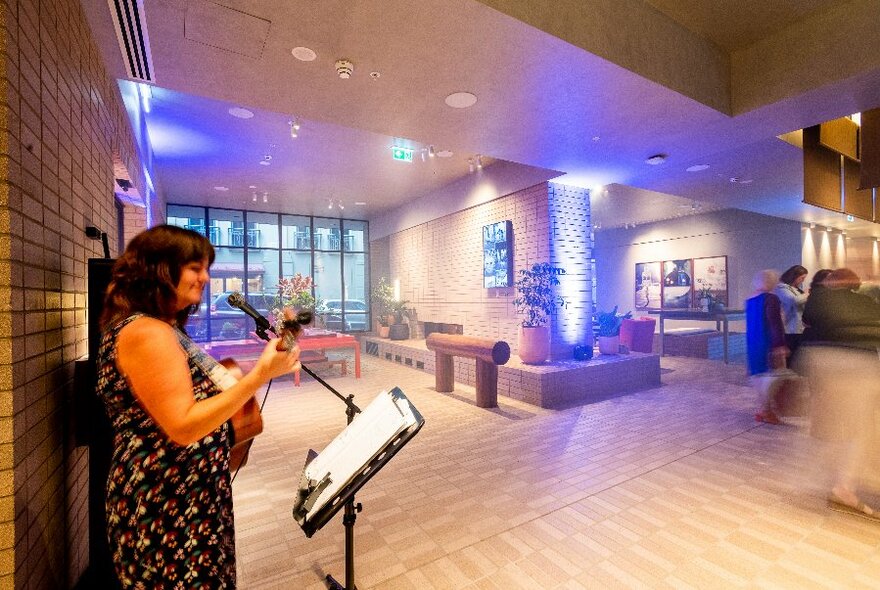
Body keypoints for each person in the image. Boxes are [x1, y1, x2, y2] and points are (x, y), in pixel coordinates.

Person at [96, 225, 300, 587]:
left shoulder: (162, 327)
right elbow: (184, 425)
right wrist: (259, 376)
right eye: (195, 267)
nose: (205, 277)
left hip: (189, 494)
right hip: (166, 503)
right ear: (159, 269)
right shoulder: (146, 333)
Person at [796, 268, 880, 522]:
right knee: (863, 426)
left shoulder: (818, 299)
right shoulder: (867, 301)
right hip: (858, 365)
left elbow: (808, 321)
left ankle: (838, 480)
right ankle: (844, 485)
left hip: (824, 362)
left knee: (837, 424)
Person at [745, 269, 788, 424]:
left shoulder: (750, 300)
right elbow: (774, 323)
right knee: (774, 377)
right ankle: (766, 410)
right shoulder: (771, 299)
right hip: (768, 341)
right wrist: (779, 345)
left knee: (759, 378)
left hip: (753, 342)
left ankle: (765, 410)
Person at [773, 265, 808, 353]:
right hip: (791, 328)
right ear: (794, 276)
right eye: (801, 278)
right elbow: (794, 301)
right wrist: (807, 294)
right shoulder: (781, 289)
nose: (802, 281)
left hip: (800, 327)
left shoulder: (797, 290)